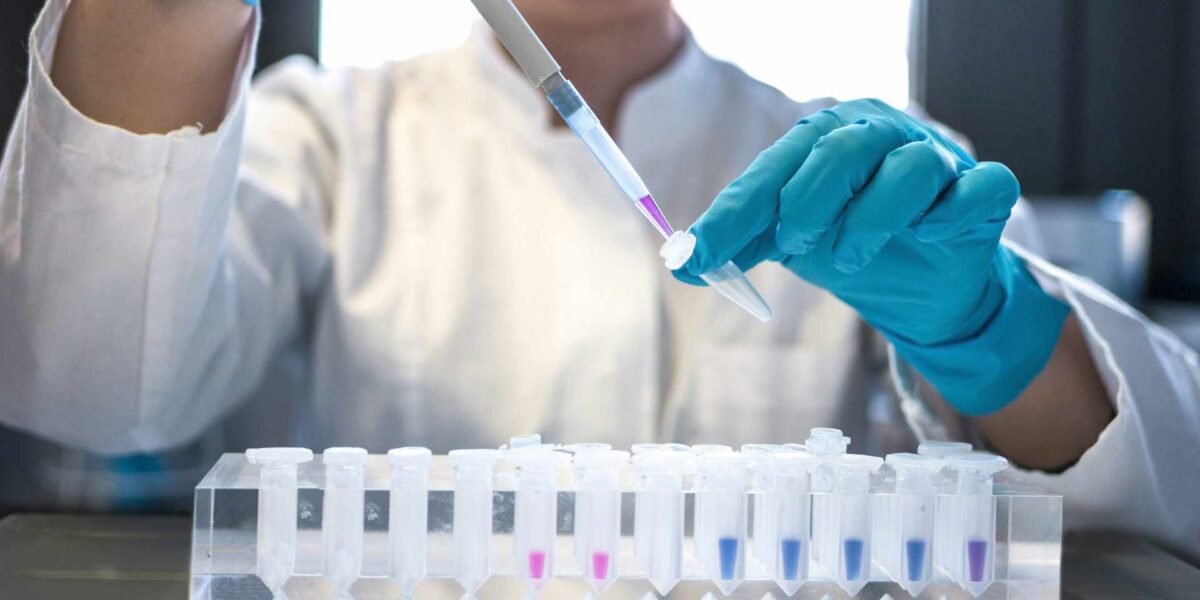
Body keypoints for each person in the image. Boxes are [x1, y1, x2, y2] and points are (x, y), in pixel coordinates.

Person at [0, 0, 1196, 564]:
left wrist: (989, 334)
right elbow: (86, 383)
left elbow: (1161, 490)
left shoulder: (847, 160)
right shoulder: (325, 138)